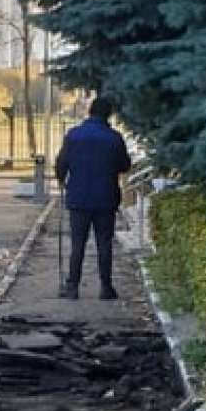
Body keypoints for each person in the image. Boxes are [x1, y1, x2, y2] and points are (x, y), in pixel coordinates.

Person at [55, 96, 132, 300]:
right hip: (105, 198)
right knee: (104, 243)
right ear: (108, 115)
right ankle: (106, 288)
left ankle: (72, 287)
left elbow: (61, 163)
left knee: (77, 244)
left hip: (78, 198)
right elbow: (124, 165)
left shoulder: (73, 135)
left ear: (89, 112)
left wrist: (62, 180)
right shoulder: (114, 138)